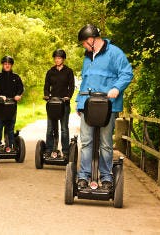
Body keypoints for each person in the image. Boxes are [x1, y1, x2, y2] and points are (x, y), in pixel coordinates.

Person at [76, 24, 133, 189]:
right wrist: (80, 104)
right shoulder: (87, 57)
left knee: (105, 143)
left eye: (84, 43)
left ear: (91, 40)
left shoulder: (115, 53)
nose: (83, 47)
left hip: (108, 107)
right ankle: (83, 177)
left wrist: (116, 88)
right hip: (88, 106)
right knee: (86, 142)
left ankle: (107, 178)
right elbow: (85, 81)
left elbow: (127, 73)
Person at [43, 49, 75, 159]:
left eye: (59, 58)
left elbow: (71, 86)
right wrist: (46, 95)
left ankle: (65, 151)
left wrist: (68, 96)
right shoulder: (50, 71)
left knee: (64, 129)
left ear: (63, 59)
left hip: (64, 103)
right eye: (56, 58)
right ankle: (49, 150)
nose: (57, 60)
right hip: (52, 103)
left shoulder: (68, 71)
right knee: (50, 128)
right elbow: (46, 86)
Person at [0, 56, 24, 152]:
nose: (7, 65)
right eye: (5, 64)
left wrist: (18, 95)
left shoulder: (16, 77)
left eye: (9, 64)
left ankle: (11, 145)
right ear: (2, 65)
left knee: (10, 126)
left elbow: (21, 88)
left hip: (12, 105)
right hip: (0, 106)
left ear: (11, 65)